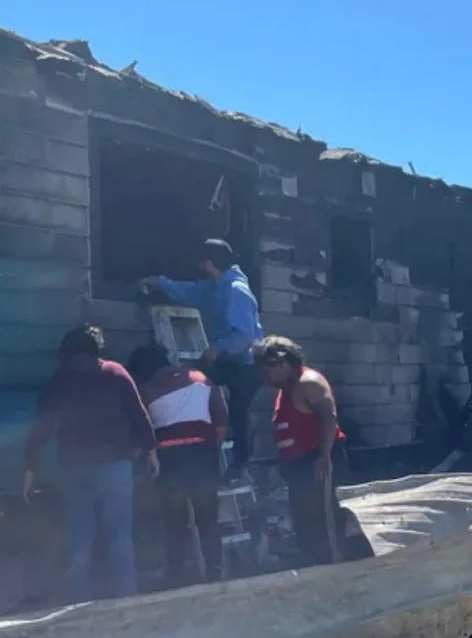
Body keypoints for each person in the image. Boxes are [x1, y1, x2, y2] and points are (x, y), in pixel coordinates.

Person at [23, 325, 158, 603]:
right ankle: (127, 597)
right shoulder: (116, 372)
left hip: (75, 467)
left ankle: (80, 600)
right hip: (115, 466)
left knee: (80, 536)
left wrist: (30, 470)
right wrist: (152, 451)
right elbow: (139, 415)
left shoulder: (61, 379)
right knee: (119, 535)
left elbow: (42, 428)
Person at [141, 238, 264, 482]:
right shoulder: (216, 285)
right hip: (229, 360)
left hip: (246, 364)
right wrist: (158, 283)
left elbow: (245, 335)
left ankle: (240, 466)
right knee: (196, 382)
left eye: (202, 263)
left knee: (239, 412)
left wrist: (217, 348)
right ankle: (198, 444)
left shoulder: (236, 290)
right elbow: (190, 291)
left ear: (209, 263)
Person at [253, 335, 372, 566]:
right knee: (305, 524)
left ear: (283, 363)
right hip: (298, 469)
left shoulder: (309, 382)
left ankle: (336, 566)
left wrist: (324, 456)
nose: (264, 376)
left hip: (317, 463)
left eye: (268, 368)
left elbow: (330, 417)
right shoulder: (284, 390)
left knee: (324, 520)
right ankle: (316, 567)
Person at [127, 343, 227, 586]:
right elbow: (220, 414)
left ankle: (177, 575)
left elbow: (142, 432)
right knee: (208, 517)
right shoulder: (200, 378)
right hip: (203, 454)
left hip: (170, 459)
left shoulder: (145, 391)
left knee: (174, 520)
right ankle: (215, 571)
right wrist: (212, 445)